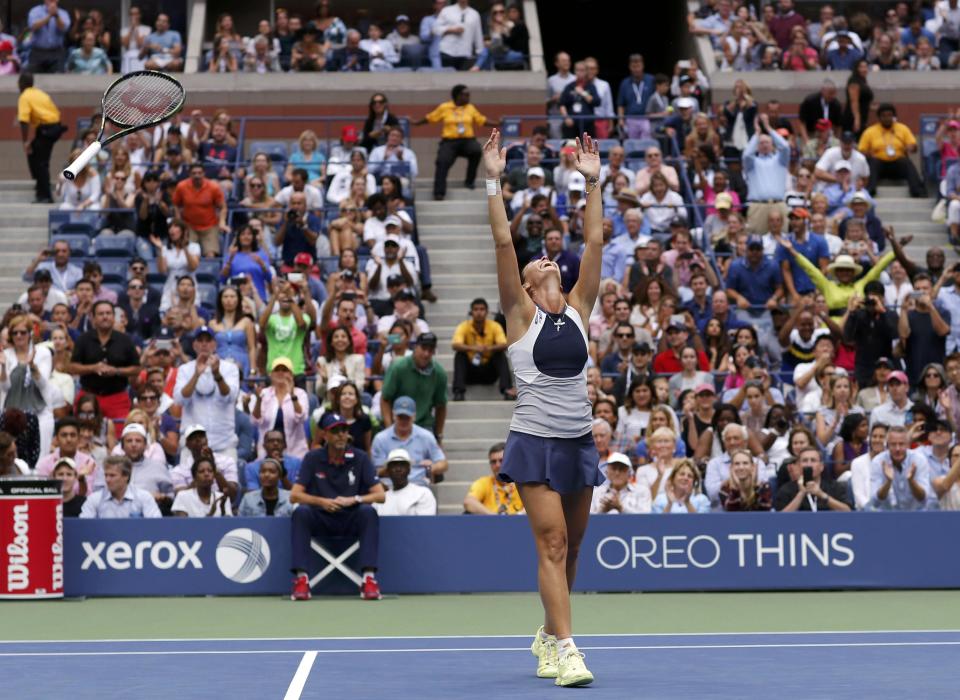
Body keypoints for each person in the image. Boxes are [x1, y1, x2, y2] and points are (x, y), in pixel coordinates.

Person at [484, 128, 601, 686]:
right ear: (527, 286)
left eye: (551, 259)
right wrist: (492, 182)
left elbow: (595, 243)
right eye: (538, 264)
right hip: (534, 442)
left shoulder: (579, 308)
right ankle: (571, 651)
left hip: (579, 440)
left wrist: (593, 181)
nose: (545, 260)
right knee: (552, 542)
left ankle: (550, 635)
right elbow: (505, 245)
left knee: (573, 549)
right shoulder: (519, 316)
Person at [289, 412, 386, 601]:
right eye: (335, 431)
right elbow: (294, 495)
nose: (341, 435)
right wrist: (322, 502)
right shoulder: (312, 458)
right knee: (301, 513)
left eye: (344, 430)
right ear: (325, 435)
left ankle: (369, 580)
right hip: (321, 517)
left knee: (369, 512)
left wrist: (355, 499)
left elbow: (380, 495)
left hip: (350, 517)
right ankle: (301, 580)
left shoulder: (360, 457)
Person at [173, 325, 239, 459]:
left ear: (214, 344)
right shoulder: (185, 369)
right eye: (200, 340)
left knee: (229, 481)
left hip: (224, 445)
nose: (204, 344)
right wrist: (196, 374)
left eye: (208, 341)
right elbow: (180, 399)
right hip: (192, 448)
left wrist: (217, 374)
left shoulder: (230, 368)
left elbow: (230, 396)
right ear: (194, 345)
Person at [414, 85, 491, 201]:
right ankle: (439, 193)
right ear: (458, 95)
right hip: (449, 142)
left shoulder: (470, 108)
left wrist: (498, 123)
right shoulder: (445, 107)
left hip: (467, 140)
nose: (469, 97)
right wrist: (416, 123)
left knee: (476, 151)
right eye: (466, 94)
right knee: (442, 162)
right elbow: (431, 118)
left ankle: (469, 181)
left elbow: (482, 120)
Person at [67, 301, 140, 421]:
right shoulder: (83, 339)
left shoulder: (125, 340)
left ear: (113, 317)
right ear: (93, 318)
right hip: (88, 397)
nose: (105, 317)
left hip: (117, 398)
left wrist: (116, 371)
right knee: (84, 433)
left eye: (108, 313)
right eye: (101, 314)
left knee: (119, 435)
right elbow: (72, 367)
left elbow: (136, 368)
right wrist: (93, 368)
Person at [371, 396, 447, 486]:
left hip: (419, 485)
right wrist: (394, 466)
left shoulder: (425, 436)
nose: (403, 421)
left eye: (407, 417)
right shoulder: (381, 439)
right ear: (394, 415)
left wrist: (431, 468)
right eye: (400, 417)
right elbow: (376, 471)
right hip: (391, 487)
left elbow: (443, 463)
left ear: (414, 416)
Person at [381, 333, 447, 436]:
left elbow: (441, 406)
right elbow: (385, 399)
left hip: (424, 425)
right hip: (398, 422)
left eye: (430, 350)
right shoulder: (398, 367)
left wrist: (439, 436)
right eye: (423, 348)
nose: (426, 354)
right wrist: (389, 429)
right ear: (415, 347)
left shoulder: (439, 373)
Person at [451, 298, 513, 401]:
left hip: (489, 374)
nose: (479, 312)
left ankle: (507, 389)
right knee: (460, 355)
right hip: (469, 373)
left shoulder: (495, 326)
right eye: (476, 309)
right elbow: (455, 345)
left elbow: (504, 344)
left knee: (500, 354)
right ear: (471, 312)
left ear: (487, 312)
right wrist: (473, 348)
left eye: (482, 309)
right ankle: (458, 392)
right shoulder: (463, 326)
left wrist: (488, 349)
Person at [858, 103, 925, 198]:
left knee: (906, 162)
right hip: (879, 165)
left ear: (894, 117)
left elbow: (914, 146)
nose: (887, 118)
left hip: (897, 164)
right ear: (879, 118)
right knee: (872, 162)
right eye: (884, 116)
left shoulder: (902, 128)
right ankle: (870, 191)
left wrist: (910, 147)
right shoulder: (870, 131)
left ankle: (917, 191)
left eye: (889, 115)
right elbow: (861, 150)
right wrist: (869, 153)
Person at [17, 72, 64, 204]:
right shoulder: (40, 93)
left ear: (21, 84)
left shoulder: (24, 96)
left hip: (47, 129)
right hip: (54, 127)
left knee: (40, 162)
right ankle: (41, 187)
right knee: (36, 157)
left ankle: (45, 196)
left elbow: (23, 121)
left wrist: (25, 142)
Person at [252, 357, 309, 459]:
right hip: (266, 454)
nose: (280, 373)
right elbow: (256, 421)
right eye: (277, 370)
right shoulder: (264, 393)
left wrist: (292, 396)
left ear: (291, 374)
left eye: (284, 370)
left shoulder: (300, 393)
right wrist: (259, 400)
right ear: (271, 374)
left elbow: (301, 418)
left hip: (295, 453)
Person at [869, 426, 932, 511]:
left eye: (901, 444)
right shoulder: (878, 462)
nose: (897, 449)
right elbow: (875, 502)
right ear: (887, 445)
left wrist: (911, 481)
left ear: (908, 445)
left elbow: (923, 499)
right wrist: (888, 482)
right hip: (887, 517)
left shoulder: (919, 460)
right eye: (893, 444)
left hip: (915, 515)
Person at [172, 163, 228, 258]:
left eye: (199, 173)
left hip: (210, 226)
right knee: (189, 255)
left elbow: (223, 207)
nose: (197, 175)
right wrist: (179, 222)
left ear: (204, 174)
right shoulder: (181, 187)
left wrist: (222, 222)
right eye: (194, 173)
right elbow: (175, 204)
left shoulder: (213, 187)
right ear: (189, 174)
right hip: (189, 226)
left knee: (210, 255)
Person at [80, 456, 162, 518]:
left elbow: (156, 525)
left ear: (126, 476)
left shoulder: (144, 497)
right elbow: (83, 527)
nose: (107, 480)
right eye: (106, 475)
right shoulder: (94, 499)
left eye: (112, 475)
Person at [774, 447, 853, 512]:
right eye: (805, 460)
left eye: (813, 460)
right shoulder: (786, 489)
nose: (809, 464)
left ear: (821, 466)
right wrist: (801, 493)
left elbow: (848, 511)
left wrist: (821, 494)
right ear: (798, 466)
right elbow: (780, 518)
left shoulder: (835, 487)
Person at [464, 442, 525, 515]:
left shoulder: (522, 484)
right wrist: (494, 518)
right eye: (493, 462)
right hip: (490, 525)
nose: (497, 465)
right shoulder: (484, 482)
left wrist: (519, 515)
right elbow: (469, 502)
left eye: (501, 460)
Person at [374, 448, 437, 515]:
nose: (398, 469)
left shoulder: (423, 494)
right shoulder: (380, 499)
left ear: (409, 470)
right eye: (394, 465)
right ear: (387, 471)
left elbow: (425, 523)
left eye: (402, 465)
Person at [433, 0, 483, 70]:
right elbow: (435, 29)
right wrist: (451, 29)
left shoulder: (474, 14)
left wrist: (480, 52)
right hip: (447, 52)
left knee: (464, 79)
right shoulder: (446, 11)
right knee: (446, 79)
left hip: (465, 53)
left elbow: (478, 35)